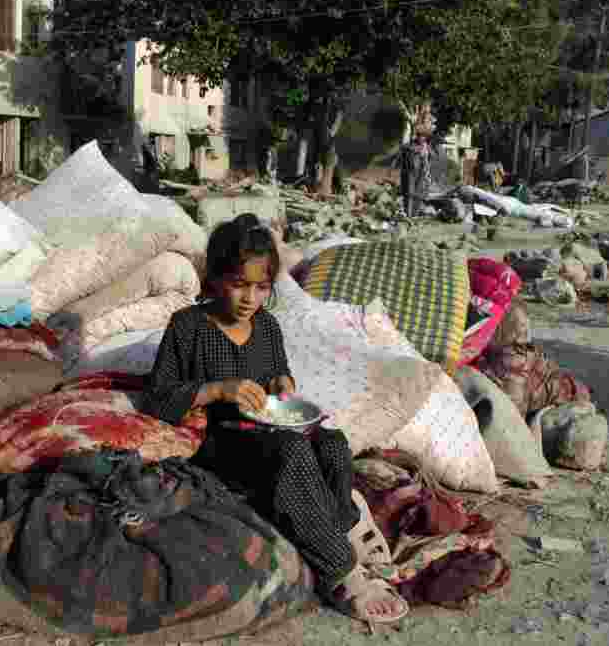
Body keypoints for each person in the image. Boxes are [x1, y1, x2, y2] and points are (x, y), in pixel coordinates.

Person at [140, 213, 409, 624]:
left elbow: (278, 376)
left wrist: (283, 384)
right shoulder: (188, 326)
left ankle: (342, 523)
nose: (250, 297)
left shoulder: (266, 327)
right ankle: (341, 570)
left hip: (266, 427)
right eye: (239, 284)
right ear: (214, 279)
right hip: (222, 443)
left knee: (333, 444)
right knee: (293, 451)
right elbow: (157, 398)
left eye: (261, 287)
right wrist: (217, 390)